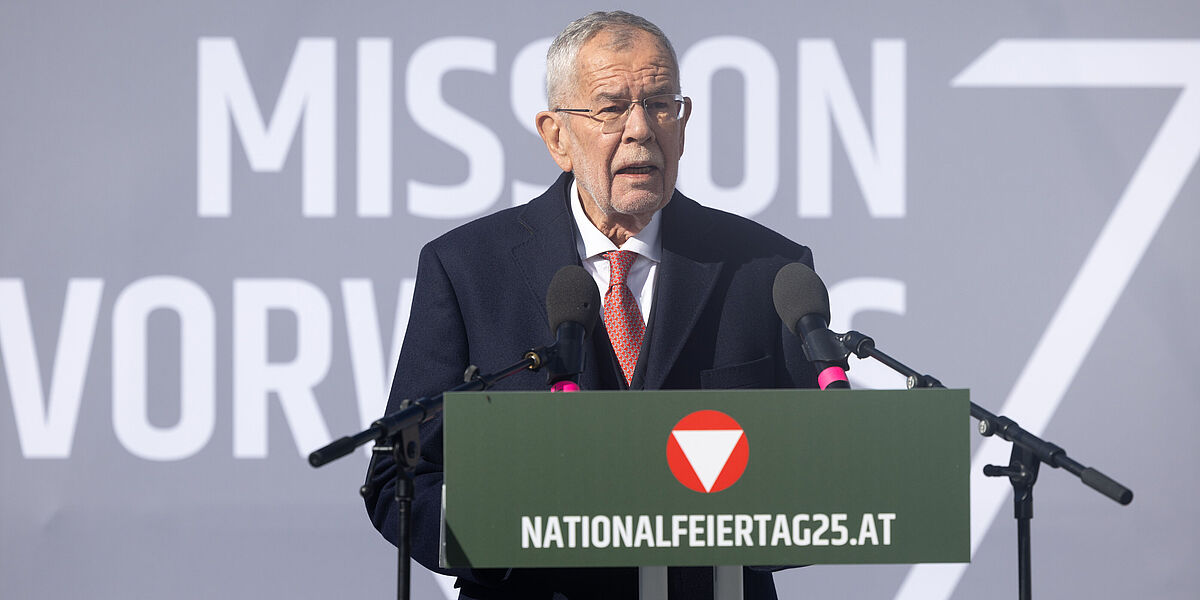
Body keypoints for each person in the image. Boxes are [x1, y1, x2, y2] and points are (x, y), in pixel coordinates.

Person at [365, 11, 818, 600]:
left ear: (683, 122)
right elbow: (400, 479)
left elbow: (818, 476)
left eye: (661, 104)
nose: (641, 130)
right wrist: (505, 540)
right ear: (557, 136)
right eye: (612, 107)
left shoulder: (767, 269)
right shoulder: (469, 268)